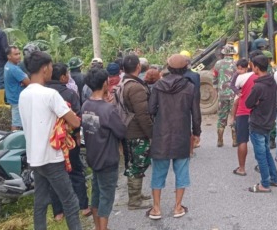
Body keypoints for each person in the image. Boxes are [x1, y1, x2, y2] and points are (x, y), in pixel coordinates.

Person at [18, 51, 82, 230]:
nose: (52, 69)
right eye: (51, 66)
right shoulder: (49, 94)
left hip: (35, 157)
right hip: (52, 157)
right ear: (45, 68)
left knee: (40, 202)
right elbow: (75, 120)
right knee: (70, 201)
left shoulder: (23, 95)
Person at [147, 54, 201, 220]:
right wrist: (196, 132)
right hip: (182, 135)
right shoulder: (190, 87)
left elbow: (151, 110)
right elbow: (196, 113)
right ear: (185, 69)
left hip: (161, 135)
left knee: (158, 172)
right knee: (182, 171)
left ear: (168, 68)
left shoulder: (157, 86)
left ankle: (156, 209)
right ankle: (178, 207)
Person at [81, 68, 127, 230]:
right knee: (107, 197)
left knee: (96, 195)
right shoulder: (108, 109)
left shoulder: (86, 105)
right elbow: (121, 131)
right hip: (107, 158)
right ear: (104, 83)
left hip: (93, 157)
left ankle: (98, 227)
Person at [45, 63, 89, 220]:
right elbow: (76, 117)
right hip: (68, 139)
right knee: (76, 171)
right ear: (63, 77)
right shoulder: (69, 94)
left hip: (50, 141)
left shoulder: (43, 93)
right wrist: (77, 134)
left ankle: (58, 212)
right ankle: (84, 207)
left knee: (53, 176)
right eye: (67, 74)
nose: (69, 76)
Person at [244, 55, 277, 192]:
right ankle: (274, 178)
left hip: (258, 123)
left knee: (261, 155)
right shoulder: (272, 81)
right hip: (269, 122)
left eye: (252, 65)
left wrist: (256, 103)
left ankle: (264, 184)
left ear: (257, 67)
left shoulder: (258, 86)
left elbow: (248, 103)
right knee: (266, 152)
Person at [121, 54, 154, 210]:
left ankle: (137, 194)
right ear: (138, 67)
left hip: (130, 130)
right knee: (138, 164)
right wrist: (151, 133)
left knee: (136, 162)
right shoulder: (135, 87)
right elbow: (143, 114)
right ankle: (134, 200)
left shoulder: (125, 82)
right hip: (137, 132)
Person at [232, 57, 259, 176]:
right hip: (256, 111)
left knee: (242, 141)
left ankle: (242, 168)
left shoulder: (240, 78)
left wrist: (233, 117)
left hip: (242, 111)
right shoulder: (260, 77)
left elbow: (235, 92)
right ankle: (261, 165)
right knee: (259, 141)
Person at [213, 45, 237, 147]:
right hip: (234, 95)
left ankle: (220, 140)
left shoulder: (218, 63)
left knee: (221, 117)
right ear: (233, 53)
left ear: (224, 53)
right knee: (234, 116)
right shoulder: (236, 63)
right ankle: (235, 141)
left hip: (222, 94)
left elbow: (214, 77)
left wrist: (216, 89)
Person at [4, 46, 29, 131]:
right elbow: (29, 83)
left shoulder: (7, 65)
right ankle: (14, 141)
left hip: (12, 96)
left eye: (19, 54)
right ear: (9, 56)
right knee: (16, 123)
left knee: (17, 120)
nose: (18, 56)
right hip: (17, 99)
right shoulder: (14, 69)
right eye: (15, 54)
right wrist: (24, 81)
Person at [181, 51, 202, 151]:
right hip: (193, 100)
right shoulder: (196, 75)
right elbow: (197, 90)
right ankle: (193, 143)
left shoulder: (177, 76)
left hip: (181, 102)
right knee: (194, 119)